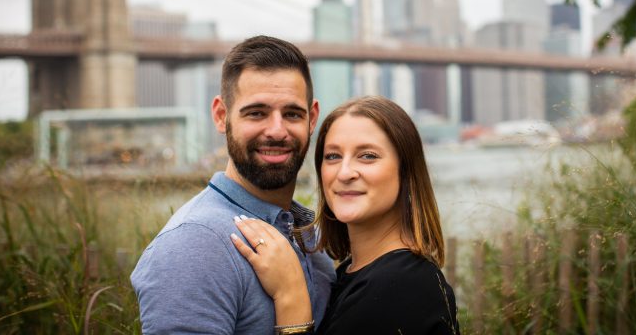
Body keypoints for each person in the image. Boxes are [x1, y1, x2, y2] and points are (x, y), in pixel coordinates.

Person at [131, 35, 335, 334]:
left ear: (312, 118)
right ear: (221, 115)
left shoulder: (309, 235)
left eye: (292, 114)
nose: (277, 131)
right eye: (257, 113)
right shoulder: (194, 246)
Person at [231, 96, 461, 334]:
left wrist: (290, 295)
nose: (344, 173)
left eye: (368, 156)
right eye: (333, 156)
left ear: (406, 172)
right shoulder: (353, 273)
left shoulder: (402, 284)